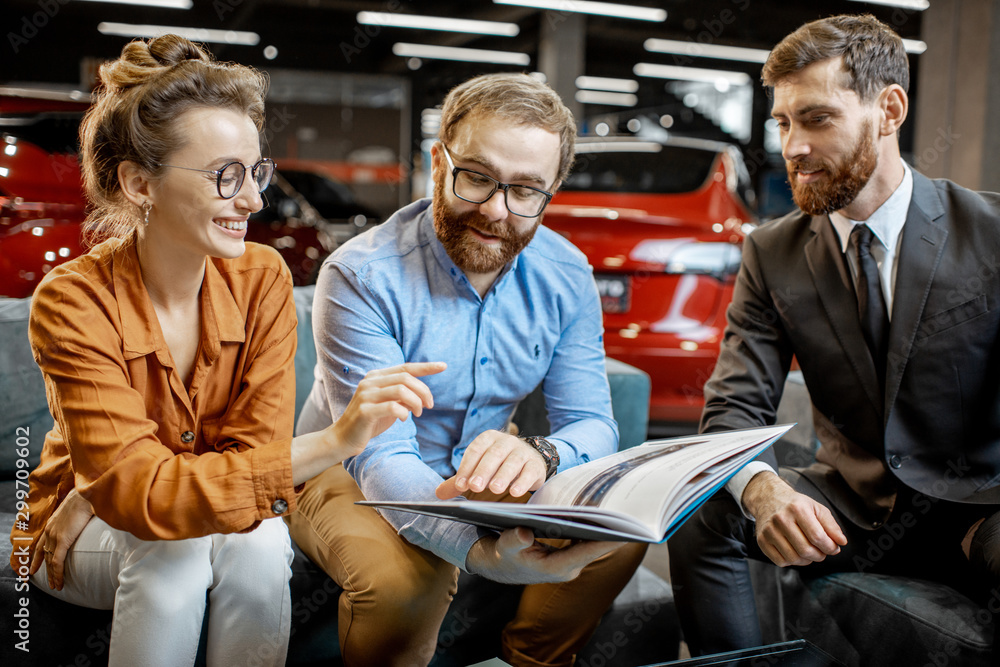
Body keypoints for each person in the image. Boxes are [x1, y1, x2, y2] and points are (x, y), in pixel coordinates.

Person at [9, 35, 443, 667]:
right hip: (69, 539)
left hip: (168, 509)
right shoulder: (73, 300)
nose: (254, 200)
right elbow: (141, 494)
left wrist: (111, 483)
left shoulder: (263, 278)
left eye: (256, 171)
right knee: (173, 551)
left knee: (264, 541)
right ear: (139, 183)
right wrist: (332, 441)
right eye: (225, 176)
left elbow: (248, 460)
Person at [287, 72, 647, 667]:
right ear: (437, 162)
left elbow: (592, 423)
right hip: (344, 473)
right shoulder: (361, 274)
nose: (496, 211)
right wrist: (478, 553)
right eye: (476, 177)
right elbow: (382, 457)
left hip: (476, 474)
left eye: (526, 190)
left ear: (551, 190)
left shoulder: (567, 274)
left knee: (622, 531)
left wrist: (542, 453)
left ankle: (528, 660)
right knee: (407, 583)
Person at [667, 13, 1000, 656]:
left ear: (889, 109)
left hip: (981, 504)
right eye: (783, 123)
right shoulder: (772, 251)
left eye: (816, 119)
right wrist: (761, 489)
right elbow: (734, 406)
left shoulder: (989, 233)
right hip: (852, 505)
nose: (792, 146)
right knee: (700, 511)